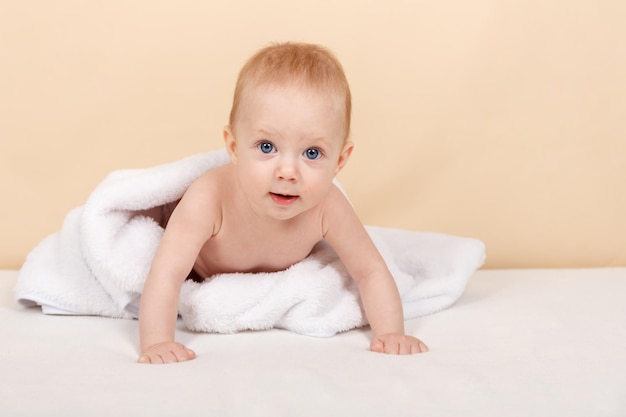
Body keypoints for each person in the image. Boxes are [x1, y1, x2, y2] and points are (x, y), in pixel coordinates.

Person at [138, 42, 428, 364]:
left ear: (341, 159)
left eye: (312, 153)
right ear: (234, 147)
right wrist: (157, 342)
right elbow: (166, 273)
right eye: (266, 146)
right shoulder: (209, 199)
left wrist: (391, 333)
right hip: (199, 270)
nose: (288, 172)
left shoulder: (328, 206)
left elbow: (370, 270)